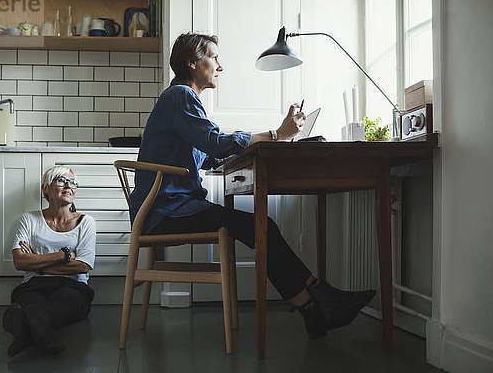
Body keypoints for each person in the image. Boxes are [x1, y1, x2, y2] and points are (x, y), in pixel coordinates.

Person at [129, 32, 375, 339]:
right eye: (214, 57)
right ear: (193, 63)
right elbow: (216, 144)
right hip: (166, 211)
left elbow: (206, 155)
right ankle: (318, 298)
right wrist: (276, 134)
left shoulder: (180, 100)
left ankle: (314, 307)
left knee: (260, 226)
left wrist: (262, 139)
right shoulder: (180, 96)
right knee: (261, 226)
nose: (221, 66)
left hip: (172, 207)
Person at [1, 166, 96, 356]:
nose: (69, 186)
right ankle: (44, 337)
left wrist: (38, 263)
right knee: (30, 303)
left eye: (73, 183)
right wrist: (64, 256)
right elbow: (19, 262)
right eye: (61, 181)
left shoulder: (86, 222)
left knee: (62, 301)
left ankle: (23, 334)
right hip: (34, 284)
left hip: (73, 286)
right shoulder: (29, 219)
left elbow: (83, 266)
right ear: (46, 188)